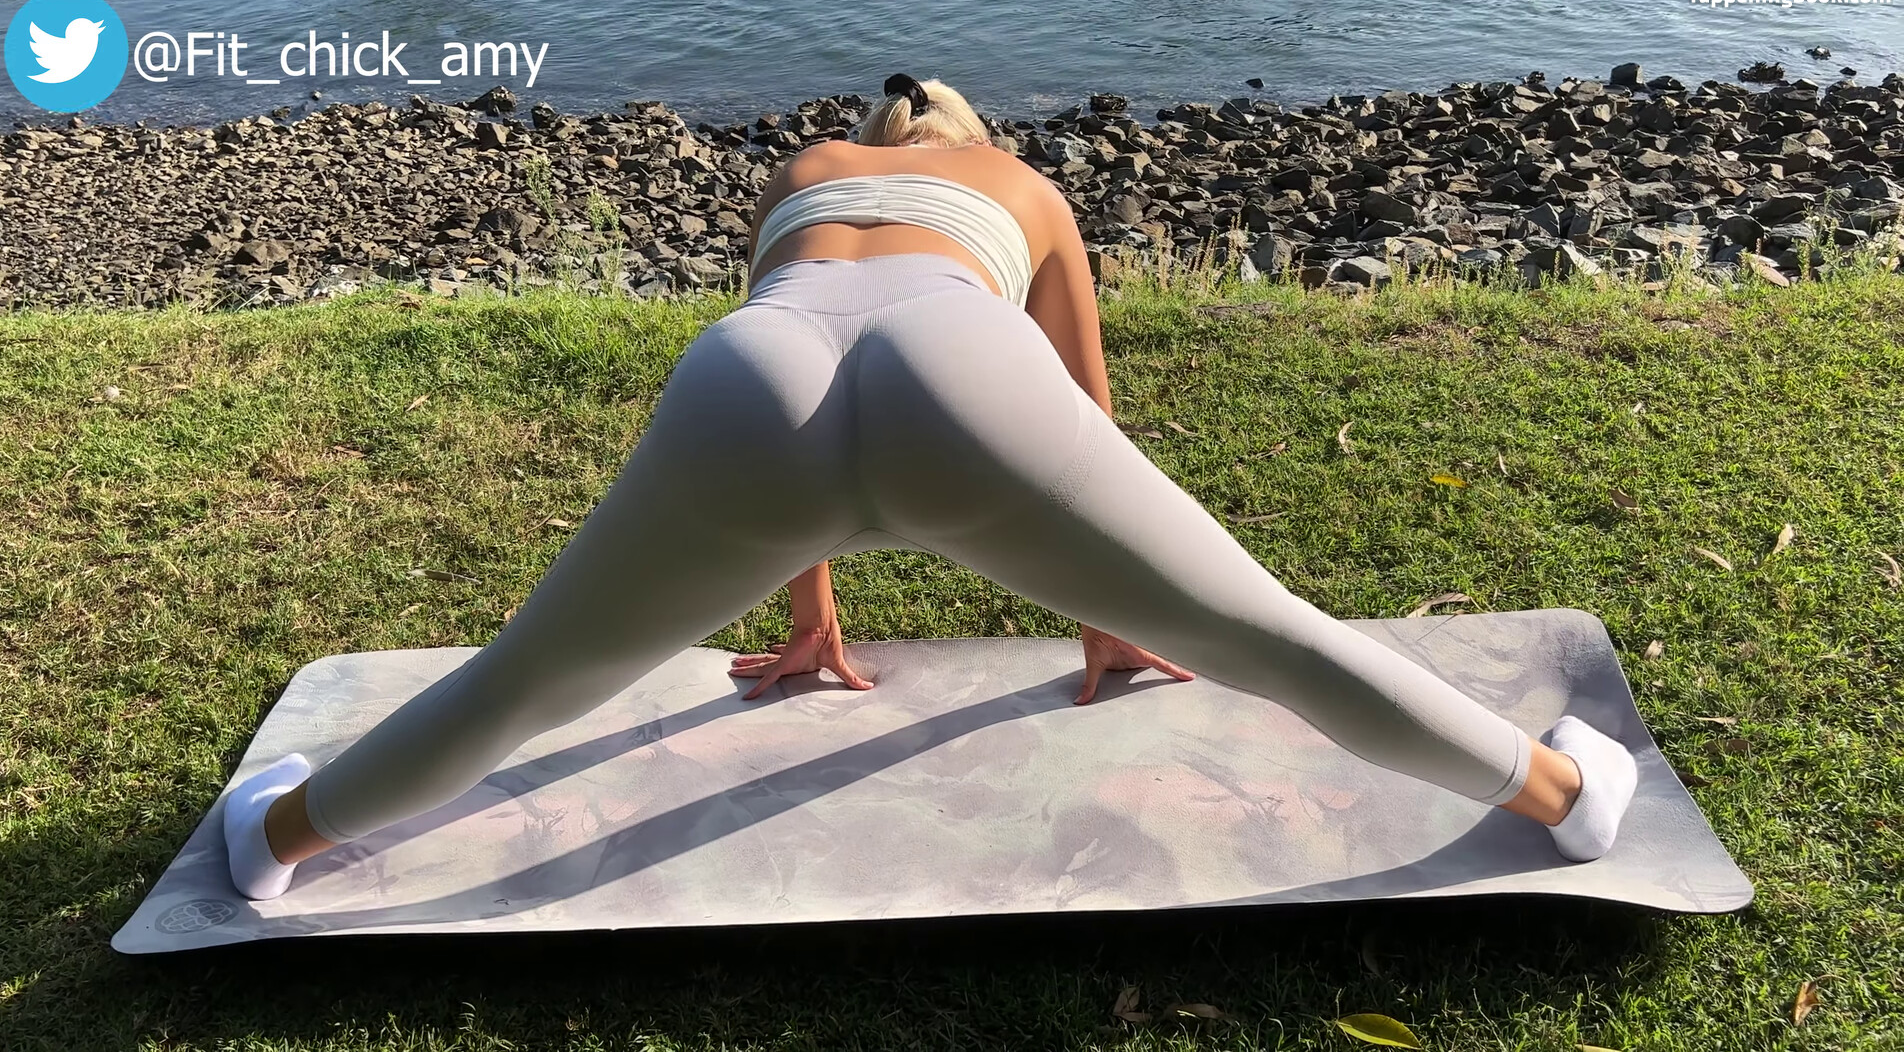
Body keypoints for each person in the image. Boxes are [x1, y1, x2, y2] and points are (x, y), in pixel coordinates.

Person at [222, 74, 1637, 901]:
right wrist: (1108, 613)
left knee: (527, 680)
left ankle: (271, 843)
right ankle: (1567, 796)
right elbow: (1085, 412)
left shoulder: (805, 173)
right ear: (967, 138)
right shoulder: (1021, 185)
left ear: (872, 142)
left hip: (753, 377)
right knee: (1274, 638)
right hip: (966, 363)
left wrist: (811, 616)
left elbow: (813, 370)